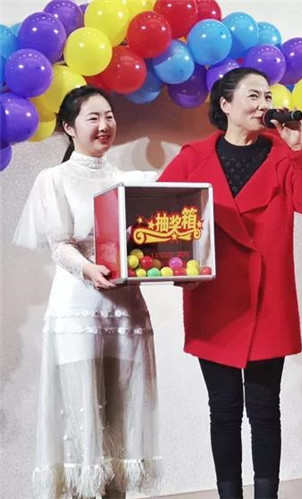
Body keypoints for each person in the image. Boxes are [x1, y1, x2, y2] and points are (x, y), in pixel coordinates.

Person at [158, 67, 302, 498]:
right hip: (214, 299)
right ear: (225, 104)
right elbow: (162, 219)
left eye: (268, 96)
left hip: (268, 298)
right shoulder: (192, 157)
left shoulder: (283, 154)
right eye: (253, 96)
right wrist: (181, 271)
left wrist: (300, 149)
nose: (264, 105)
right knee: (223, 410)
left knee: (264, 409)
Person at [13, 86, 161, 499]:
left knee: (121, 407)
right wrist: (87, 269)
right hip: (77, 307)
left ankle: (115, 493)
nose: (104, 125)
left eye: (109, 116)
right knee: (81, 411)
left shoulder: (128, 180)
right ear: (69, 127)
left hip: (126, 306)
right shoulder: (54, 179)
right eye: (93, 118)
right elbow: (60, 245)